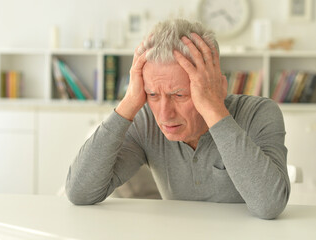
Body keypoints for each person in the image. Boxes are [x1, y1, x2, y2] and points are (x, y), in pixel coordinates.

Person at [65, 19, 290, 219]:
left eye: (179, 95)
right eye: (152, 94)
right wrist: (129, 103)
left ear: (218, 87)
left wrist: (213, 110)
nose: (164, 114)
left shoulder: (259, 114)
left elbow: (269, 206)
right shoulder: (146, 122)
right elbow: (80, 193)